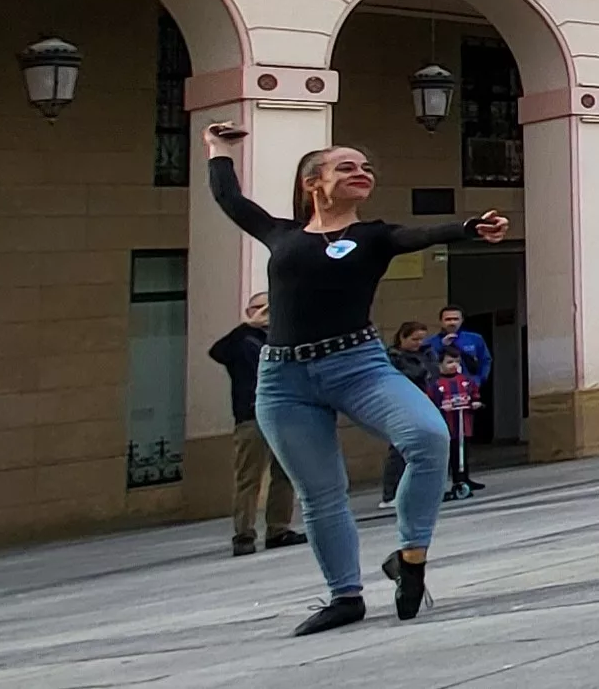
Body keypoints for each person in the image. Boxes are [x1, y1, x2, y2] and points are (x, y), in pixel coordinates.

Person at [202, 124, 507, 634]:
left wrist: (471, 226)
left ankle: (410, 556)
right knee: (321, 494)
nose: (361, 173)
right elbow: (230, 199)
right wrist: (220, 149)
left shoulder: (374, 236)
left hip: (358, 367)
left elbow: (421, 235)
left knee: (428, 438)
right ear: (312, 183)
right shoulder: (283, 235)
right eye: (346, 166)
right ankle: (345, 596)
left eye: (366, 168)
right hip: (284, 380)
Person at [207, 292, 304, 558]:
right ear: (249, 312)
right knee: (248, 478)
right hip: (251, 417)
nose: (264, 314)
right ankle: (244, 533)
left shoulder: (285, 339)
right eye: (258, 308)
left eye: (268, 308)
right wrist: (247, 326)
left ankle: (278, 528)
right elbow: (218, 352)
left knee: (285, 474)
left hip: (285, 414)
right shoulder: (242, 340)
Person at [377, 323, 437, 510]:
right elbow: (406, 375)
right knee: (398, 450)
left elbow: (434, 372)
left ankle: (419, 492)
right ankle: (390, 493)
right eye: (414, 339)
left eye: (421, 339)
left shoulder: (427, 353)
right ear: (402, 338)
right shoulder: (393, 357)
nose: (418, 343)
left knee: (425, 446)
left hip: (423, 401)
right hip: (401, 403)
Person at [429, 354, 481, 502]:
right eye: (449, 362)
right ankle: (440, 487)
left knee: (461, 454)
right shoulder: (435, 383)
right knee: (445, 457)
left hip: (462, 426)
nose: (453, 365)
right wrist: (441, 406)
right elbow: (430, 400)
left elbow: (474, 394)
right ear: (440, 364)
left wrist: (475, 402)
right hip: (445, 426)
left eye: (456, 362)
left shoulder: (465, 381)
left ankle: (462, 481)